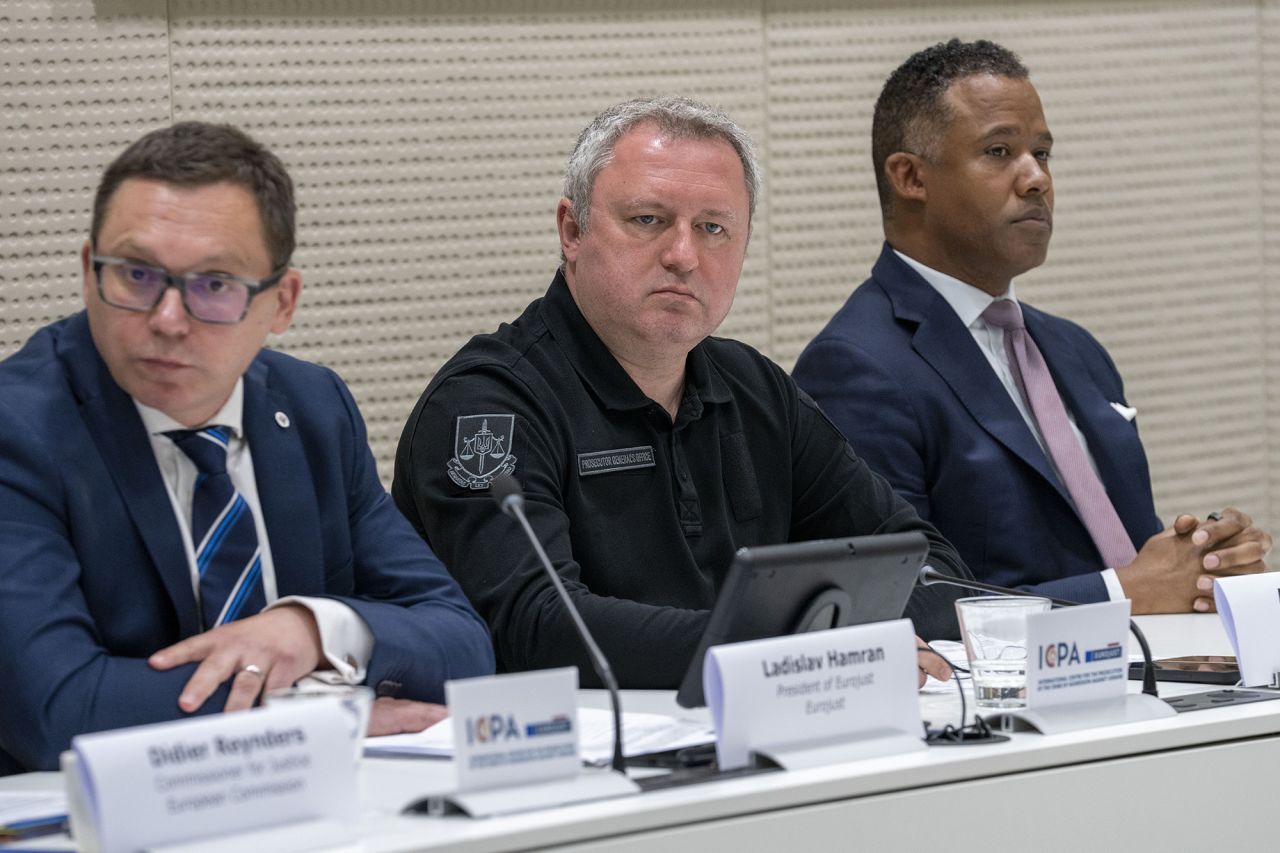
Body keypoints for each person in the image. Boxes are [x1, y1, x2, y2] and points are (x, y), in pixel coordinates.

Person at [393, 96, 971, 691]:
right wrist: (789, 649)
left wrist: (837, 641)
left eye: (713, 228)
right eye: (648, 220)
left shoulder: (756, 390)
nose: (683, 256)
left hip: (758, 736)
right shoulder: (488, 406)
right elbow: (536, 627)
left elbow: (927, 568)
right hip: (573, 764)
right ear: (572, 230)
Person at [0, 122, 494, 774]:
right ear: (89, 273)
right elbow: (57, 708)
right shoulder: (20, 428)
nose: (168, 318)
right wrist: (319, 719)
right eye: (136, 274)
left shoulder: (314, 406)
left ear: (281, 302)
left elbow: (461, 643)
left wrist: (314, 630)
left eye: (215, 284)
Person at [793, 39, 1270, 610]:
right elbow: (900, 601)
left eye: (1041, 154)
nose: (1036, 179)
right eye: (999, 152)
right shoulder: (856, 365)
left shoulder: (1075, 349)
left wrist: (1203, 563)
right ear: (910, 178)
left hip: (1153, 675)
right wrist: (1121, 593)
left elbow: (1133, 559)